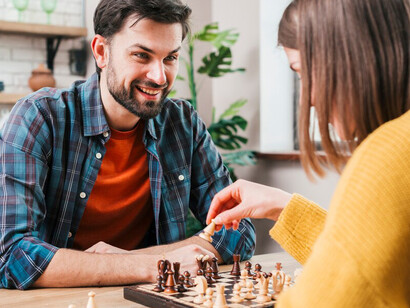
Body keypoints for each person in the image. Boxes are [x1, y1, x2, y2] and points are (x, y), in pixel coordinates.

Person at [0, 0, 256, 289]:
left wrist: (134, 262)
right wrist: (154, 264)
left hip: (149, 296)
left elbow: (239, 231)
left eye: (170, 58)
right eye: (141, 55)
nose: (159, 77)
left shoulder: (182, 123)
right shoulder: (39, 117)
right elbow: (13, 255)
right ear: (101, 52)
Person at [207, 0, 410, 306]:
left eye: (303, 74)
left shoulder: (387, 155)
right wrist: (282, 206)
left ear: (349, 58)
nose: (310, 100)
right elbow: (369, 261)